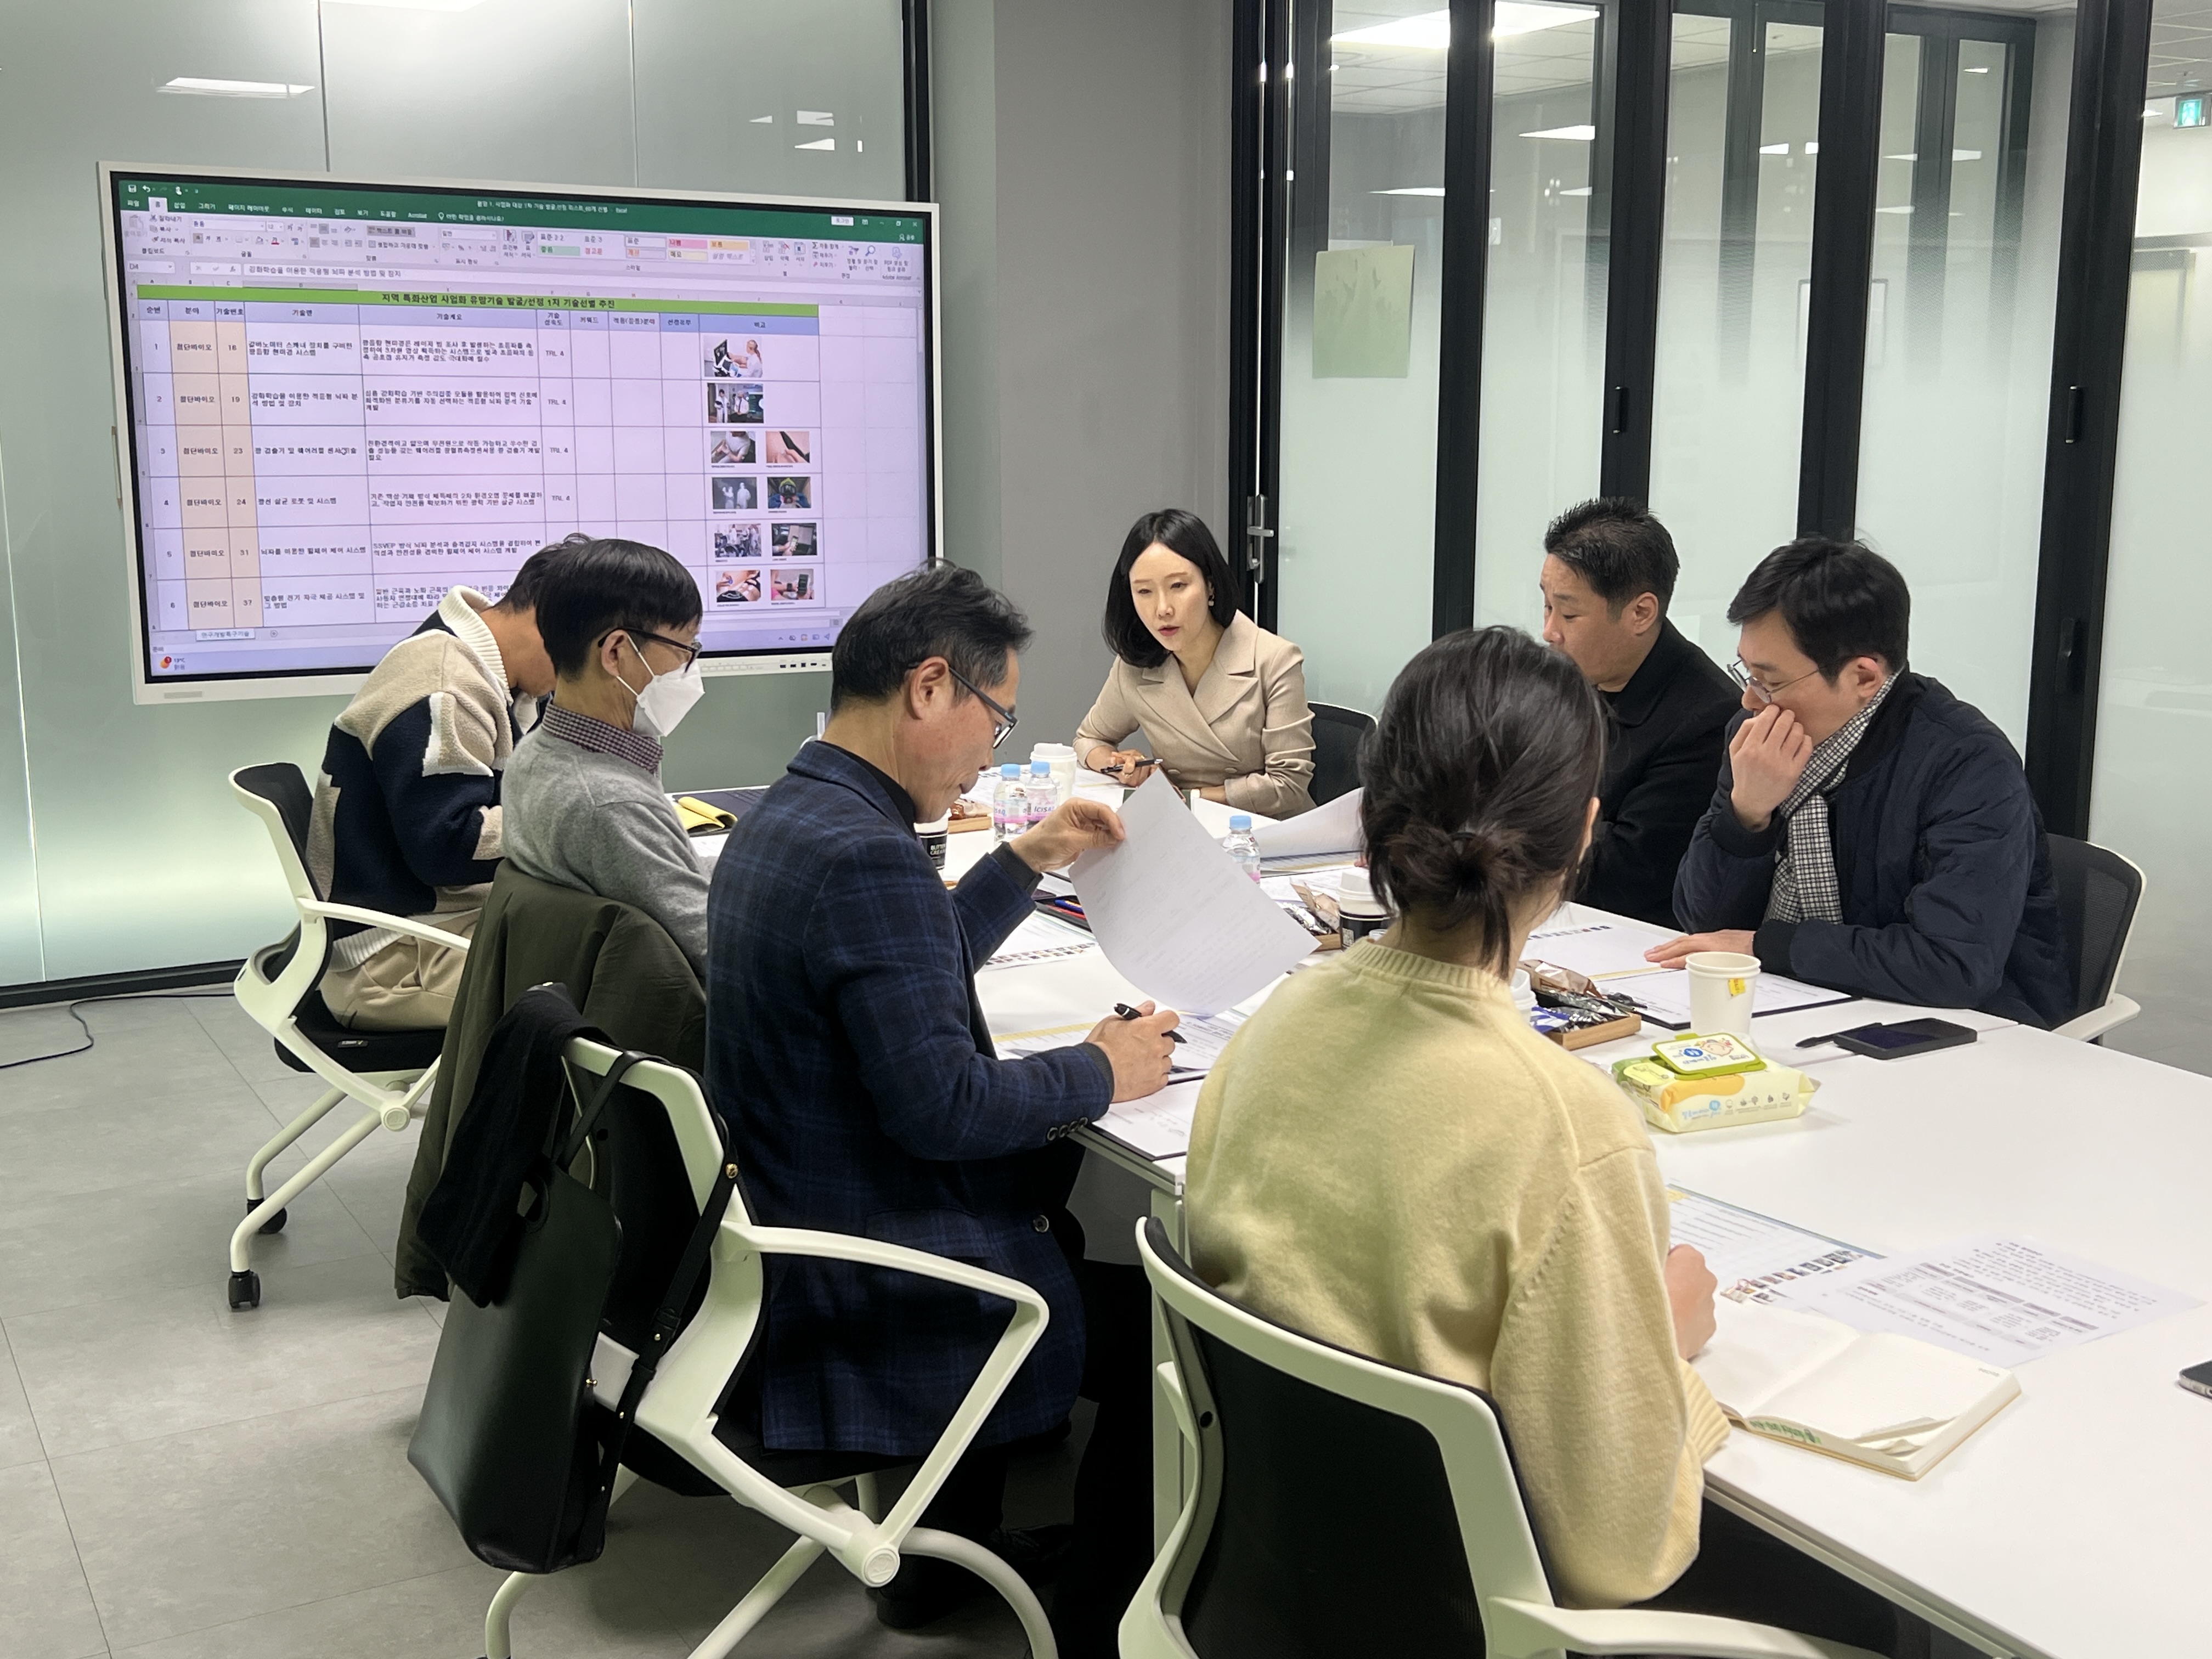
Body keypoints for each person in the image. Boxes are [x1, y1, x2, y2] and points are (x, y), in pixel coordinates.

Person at [1186, 627, 1903, 1651]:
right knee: (1864, 1609)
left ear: (1369, 820)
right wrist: (1660, 1349)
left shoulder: (1274, 1025)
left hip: (1274, 1593)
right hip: (1464, 1617)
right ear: (1583, 832)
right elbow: (1620, 1554)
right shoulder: (1564, 1126)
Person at [707, 563, 1180, 1654]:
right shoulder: (868, 855)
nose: (988, 752)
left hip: (795, 1227)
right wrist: (1101, 1068)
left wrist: (1027, 856)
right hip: (873, 1275)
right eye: (995, 717)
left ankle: (935, 1557)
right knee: (1171, 1340)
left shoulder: (793, 814)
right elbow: (948, 1110)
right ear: (929, 687)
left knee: (1061, 1193)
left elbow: (905, 965)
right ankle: (1101, 1611)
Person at [1654, 538, 2072, 1026]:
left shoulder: (1967, 764)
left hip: (1971, 1029)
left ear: (1864, 678)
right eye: (1746, 672)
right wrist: (1746, 816)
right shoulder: (1757, 735)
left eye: (1770, 681)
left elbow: (1953, 965)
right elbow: (1704, 923)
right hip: (1799, 1001)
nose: (1750, 700)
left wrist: (1766, 946)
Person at [306, 537, 571, 1030]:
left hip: (444, 925)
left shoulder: (491, 671)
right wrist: (570, 821)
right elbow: (448, 847)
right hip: (396, 959)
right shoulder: (446, 686)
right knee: (625, 990)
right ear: (551, 622)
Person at [500, 538, 713, 975]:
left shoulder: (536, 754)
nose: (689, 666)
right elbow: (719, 951)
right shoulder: (609, 804)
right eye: (685, 649)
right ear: (616, 652)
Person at [1540, 498, 1739, 928]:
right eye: (1547, 606)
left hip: (1624, 938)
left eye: (1569, 613)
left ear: (1641, 613)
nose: (1549, 631)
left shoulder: (1706, 718)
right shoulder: (1566, 679)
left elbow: (1623, 873)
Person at [1075, 509, 1315, 816]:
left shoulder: (1275, 659)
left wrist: (1189, 798)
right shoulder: (1135, 666)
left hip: (1266, 829)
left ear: (1210, 585)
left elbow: (1288, 785)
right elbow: (1089, 739)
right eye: (1144, 591)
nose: (1163, 609)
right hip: (1182, 824)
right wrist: (1118, 765)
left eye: (1178, 586)